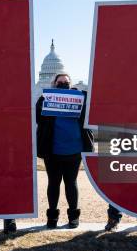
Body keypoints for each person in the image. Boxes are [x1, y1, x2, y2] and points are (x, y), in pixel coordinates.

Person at [36, 73, 94, 229]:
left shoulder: (80, 98)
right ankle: (52, 217)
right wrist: (44, 101)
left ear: (71, 84)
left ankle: (73, 216)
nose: (63, 84)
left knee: (71, 183)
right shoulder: (45, 99)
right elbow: (38, 119)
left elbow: (91, 111)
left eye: (66, 82)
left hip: (74, 150)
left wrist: (83, 95)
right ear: (54, 84)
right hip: (52, 150)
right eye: (60, 82)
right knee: (53, 183)